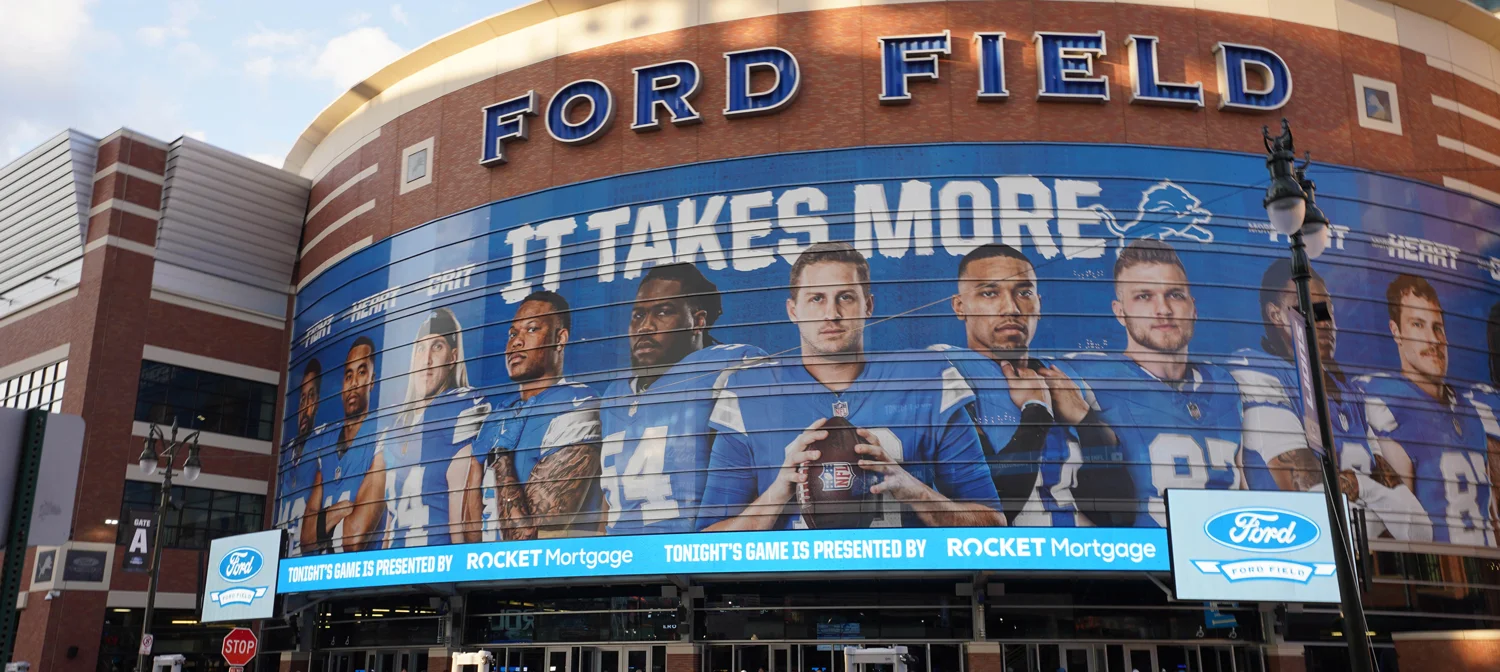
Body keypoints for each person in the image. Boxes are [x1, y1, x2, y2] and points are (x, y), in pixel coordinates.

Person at [699, 241, 1003, 530]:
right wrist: (778, 492)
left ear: (868, 305)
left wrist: (910, 488)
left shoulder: (926, 381)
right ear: (793, 310)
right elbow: (706, 544)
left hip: (906, 581)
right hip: (789, 584)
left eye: (845, 297)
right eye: (817, 298)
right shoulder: (749, 392)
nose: (832, 313)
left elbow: (992, 523)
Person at [1232, 260, 1427, 540]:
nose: (1324, 323)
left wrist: (1360, 486)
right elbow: (1316, 515)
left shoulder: (1346, 393)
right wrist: (1378, 506)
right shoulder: (1261, 375)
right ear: (1275, 315)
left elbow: (1418, 529)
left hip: (1354, 568)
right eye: (1310, 311)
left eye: (1327, 312)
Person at [934, 242, 1124, 526]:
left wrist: (1086, 420)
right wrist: (1036, 411)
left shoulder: (1066, 377)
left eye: (1024, 293)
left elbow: (1118, 514)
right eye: (990, 292)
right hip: (999, 565)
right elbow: (991, 509)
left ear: (1039, 303)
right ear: (960, 306)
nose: (1011, 308)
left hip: (1085, 559)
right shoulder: (945, 369)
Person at [1063, 239, 1244, 527]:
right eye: (1144, 296)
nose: (1163, 309)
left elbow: (1241, 484)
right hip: (1140, 564)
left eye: (1174, 295)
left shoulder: (1225, 384)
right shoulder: (1087, 378)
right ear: (1119, 311)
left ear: (1193, 308)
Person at [598, 263, 767, 534]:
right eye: (638, 316)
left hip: (701, 560)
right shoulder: (613, 396)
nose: (645, 327)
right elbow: (608, 502)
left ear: (698, 321)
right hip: (626, 564)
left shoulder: (731, 366)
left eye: (663, 312)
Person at [1359, 274, 1498, 545]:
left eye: (1437, 327)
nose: (1432, 340)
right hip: (1439, 577)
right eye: (1418, 325)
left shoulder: (1472, 410)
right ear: (1396, 330)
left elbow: (1493, 516)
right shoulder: (1392, 410)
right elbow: (1400, 530)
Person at [476, 291, 604, 541]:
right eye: (513, 333)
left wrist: (501, 456)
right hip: (485, 572)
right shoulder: (500, 412)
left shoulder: (578, 407)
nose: (516, 342)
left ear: (560, 338)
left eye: (531, 329)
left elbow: (528, 540)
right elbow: (466, 522)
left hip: (549, 576)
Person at [378, 308, 490, 548]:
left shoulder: (460, 406)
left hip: (437, 565)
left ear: (453, 356)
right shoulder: (396, 426)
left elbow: (463, 510)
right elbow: (390, 519)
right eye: (421, 348)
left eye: (437, 346)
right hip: (395, 571)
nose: (426, 359)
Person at [302, 336, 385, 553]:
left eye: (362, 372)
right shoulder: (327, 443)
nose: (354, 382)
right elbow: (304, 539)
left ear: (372, 381)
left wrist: (321, 521)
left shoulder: (381, 437)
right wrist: (339, 510)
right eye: (349, 375)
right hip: (321, 579)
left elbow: (354, 539)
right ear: (342, 386)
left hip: (368, 580)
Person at [277, 359, 325, 556]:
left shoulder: (323, 447)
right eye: (302, 398)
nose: (305, 407)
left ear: (318, 402)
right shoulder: (287, 454)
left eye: (311, 397)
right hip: (282, 563)